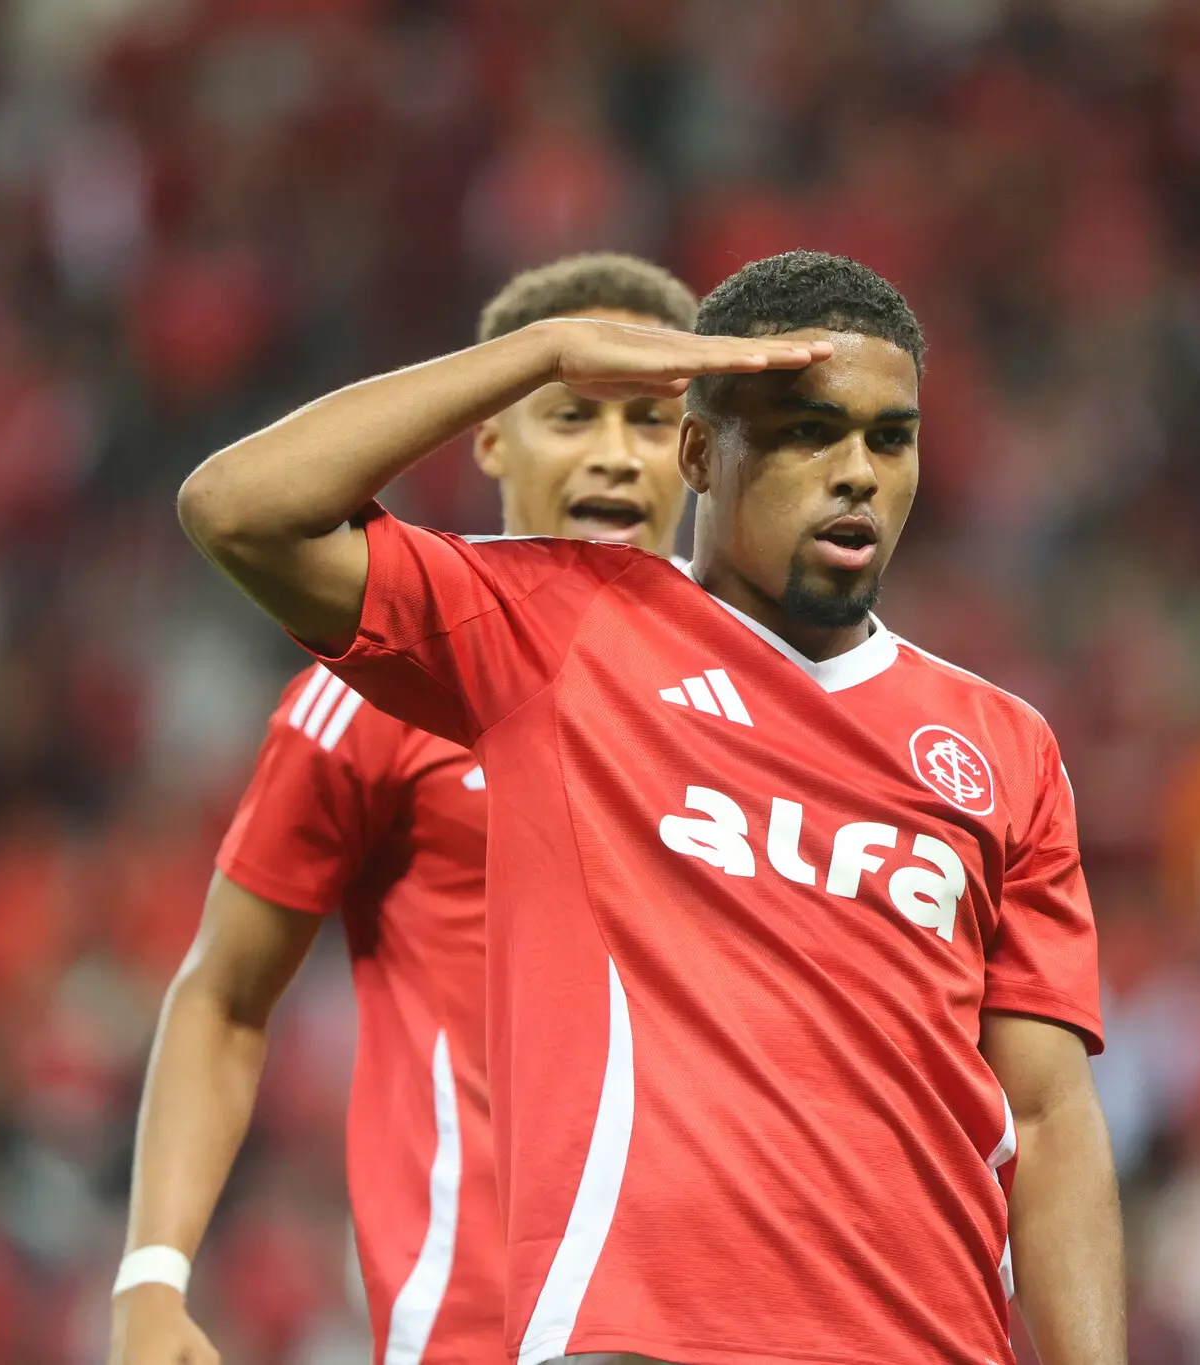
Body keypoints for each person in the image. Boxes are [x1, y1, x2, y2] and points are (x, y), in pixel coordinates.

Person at [174, 250, 1126, 1365]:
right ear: (697, 453)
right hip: (637, 1339)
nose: (857, 471)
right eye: (806, 431)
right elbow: (236, 512)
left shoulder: (999, 747)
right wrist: (542, 351)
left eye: (889, 437)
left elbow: (1052, 1122)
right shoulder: (559, 630)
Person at [108, 254, 702, 1365]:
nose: (614, 456)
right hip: (483, 1321)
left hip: (723, 1321)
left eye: (649, 421)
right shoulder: (381, 685)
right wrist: (151, 1275)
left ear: (701, 450)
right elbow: (224, 997)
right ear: (488, 438)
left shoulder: (774, 697)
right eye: (569, 412)